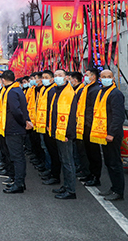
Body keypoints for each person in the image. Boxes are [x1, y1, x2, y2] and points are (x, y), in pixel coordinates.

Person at [0, 71, 32, 194]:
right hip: (15, 128)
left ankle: (19, 184)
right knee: (18, 156)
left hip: (14, 129)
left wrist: (23, 123)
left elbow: (16, 111)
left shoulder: (11, 92)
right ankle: (19, 182)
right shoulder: (17, 90)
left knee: (17, 157)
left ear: (4, 80)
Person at [93, 70, 126, 201]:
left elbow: (118, 116)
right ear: (99, 78)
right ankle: (113, 188)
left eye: (109, 77)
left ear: (113, 78)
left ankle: (119, 191)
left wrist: (112, 133)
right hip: (103, 133)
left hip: (113, 134)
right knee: (108, 162)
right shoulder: (102, 92)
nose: (106, 79)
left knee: (114, 163)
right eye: (103, 77)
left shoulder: (115, 93)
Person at [49, 70, 78, 199]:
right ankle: (66, 186)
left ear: (66, 77)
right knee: (63, 160)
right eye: (55, 76)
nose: (57, 78)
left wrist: (68, 133)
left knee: (68, 162)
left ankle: (71, 190)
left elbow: (72, 116)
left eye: (60, 75)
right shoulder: (57, 91)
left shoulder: (69, 92)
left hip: (65, 133)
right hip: (58, 131)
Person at [76, 68, 102, 187]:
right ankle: (90, 174)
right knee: (88, 152)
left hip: (91, 125)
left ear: (93, 77)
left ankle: (96, 177)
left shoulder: (95, 90)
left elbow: (93, 109)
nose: (85, 77)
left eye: (86, 75)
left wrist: (91, 125)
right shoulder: (87, 89)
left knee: (94, 152)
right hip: (85, 124)